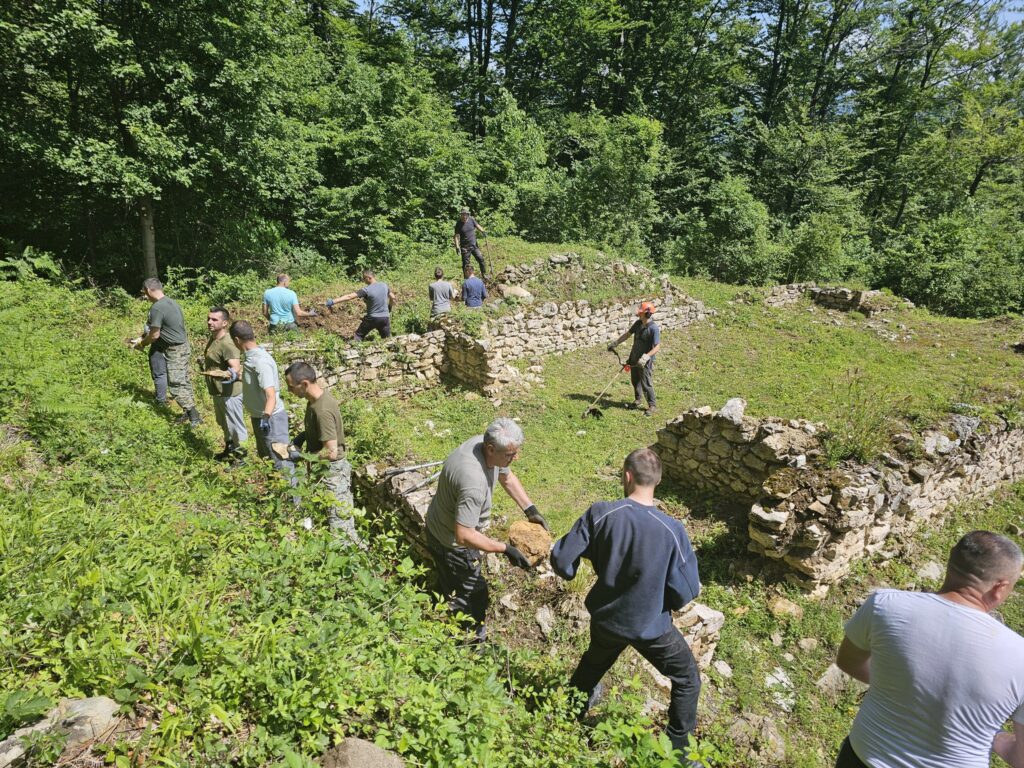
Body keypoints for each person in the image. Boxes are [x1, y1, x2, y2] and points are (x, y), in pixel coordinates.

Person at [551, 448, 702, 764]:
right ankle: (679, 754)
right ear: (657, 481)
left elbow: (563, 561)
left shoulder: (602, 513)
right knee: (687, 678)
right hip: (650, 626)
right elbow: (686, 592)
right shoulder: (672, 530)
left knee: (595, 661)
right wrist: (660, 599)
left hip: (607, 618)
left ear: (627, 475)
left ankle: (567, 715)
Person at [834, 530, 1024, 768]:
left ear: (951, 562)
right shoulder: (1020, 655)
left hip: (863, 758)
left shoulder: (885, 605)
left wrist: (902, 686)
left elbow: (848, 661)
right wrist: (996, 736)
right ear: (1000, 587)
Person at [424, 417, 549, 642]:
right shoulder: (473, 482)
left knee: (448, 581)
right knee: (473, 595)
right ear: (491, 449)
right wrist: (505, 549)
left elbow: (506, 476)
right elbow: (464, 535)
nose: (516, 458)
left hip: (438, 525)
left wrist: (530, 509)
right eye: (511, 454)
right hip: (451, 545)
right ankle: (468, 643)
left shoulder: (480, 445)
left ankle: (438, 607)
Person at [283, 361, 362, 546]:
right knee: (325, 516)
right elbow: (319, 431)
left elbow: (331, 452)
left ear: (304, 384)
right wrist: (302, 437)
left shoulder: (323, 410)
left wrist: (303, 456)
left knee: (340, 525)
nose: (289, 391)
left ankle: (353, 556)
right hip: (322, 469)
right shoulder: (314, 402)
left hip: (332, 473)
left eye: (291, 386)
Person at [133, 278, 201, 427]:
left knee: (176, 384)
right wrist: (141, 338)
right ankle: (188, 412)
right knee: (183, 380)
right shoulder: (171, 302)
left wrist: (142, 343)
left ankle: (194, 416)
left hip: (175, 349)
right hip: (183, 346)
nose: (145, 296)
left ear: (148, 290)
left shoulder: (157, 307)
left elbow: (154, 335)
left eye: (144, 292)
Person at [229, 320, 293, 473]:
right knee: (267, 460)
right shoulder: (251, 357)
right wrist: (237, 377)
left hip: (271, 420)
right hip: (259, 417)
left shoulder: (260, 362)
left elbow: (270, 395)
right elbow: (257, 382)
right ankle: (274, 488)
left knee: (281, 463)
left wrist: (266, 418)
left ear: (236, 340)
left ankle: (292, 489)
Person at [204, 307, 248, 461]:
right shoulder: (214, 339)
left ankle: (241, 457)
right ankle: (229, 450)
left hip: (230, 393)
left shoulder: (228, 343)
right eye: (208, 319)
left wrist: (221, 374)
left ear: (224, 323)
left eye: (214, 320)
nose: (210, 322)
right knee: (224, 423)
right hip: (218, 391)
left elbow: (235, 368)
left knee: (235, 425)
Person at [607, 301, 660, 417]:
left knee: (646, 383)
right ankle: (638, 400)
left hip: (644, 361)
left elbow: (657, 347)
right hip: (634, 357)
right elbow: (627, 334)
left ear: (647, 314)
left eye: (640, 312)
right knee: (635, 380)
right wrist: (616, 343)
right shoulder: (638, 323)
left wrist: (646, 356)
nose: (638, 314)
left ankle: (652, 405)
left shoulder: (653, 328)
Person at [325, 270, 396, 341]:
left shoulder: (366, 290)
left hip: (372, 318)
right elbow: (392, 297)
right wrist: (389, 307)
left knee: (358, 336)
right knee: (387, 339)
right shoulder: (384, 285)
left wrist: (332, 301)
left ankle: (354, 346)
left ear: (369, 278)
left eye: (364, 279)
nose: (363, 281)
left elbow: (349, 296)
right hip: (385, 318)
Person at [454, 207, 487, 278]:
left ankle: (484, 274)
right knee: (466, 264)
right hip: (465, 248)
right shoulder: (458, 224)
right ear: (461, 215)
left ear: (468, 215)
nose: (464, 216)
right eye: (463, 214)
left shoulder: (471, 219)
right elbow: (456, 236)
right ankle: (466, 279)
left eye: (466, 214)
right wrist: (457, 247)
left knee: (481, 259)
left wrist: (483, 231)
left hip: (474, 245)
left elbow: (477, 225)